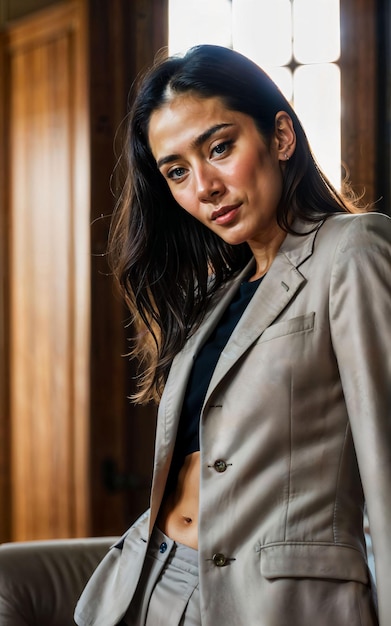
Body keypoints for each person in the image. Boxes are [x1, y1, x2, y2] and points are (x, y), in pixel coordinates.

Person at [74, 45, 391, 626]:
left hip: (265, 603)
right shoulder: (219, 296)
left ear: (281, 137)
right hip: (144, 584)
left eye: (220, 147)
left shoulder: (352, 250)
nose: (204, 186)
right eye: (176, 171)